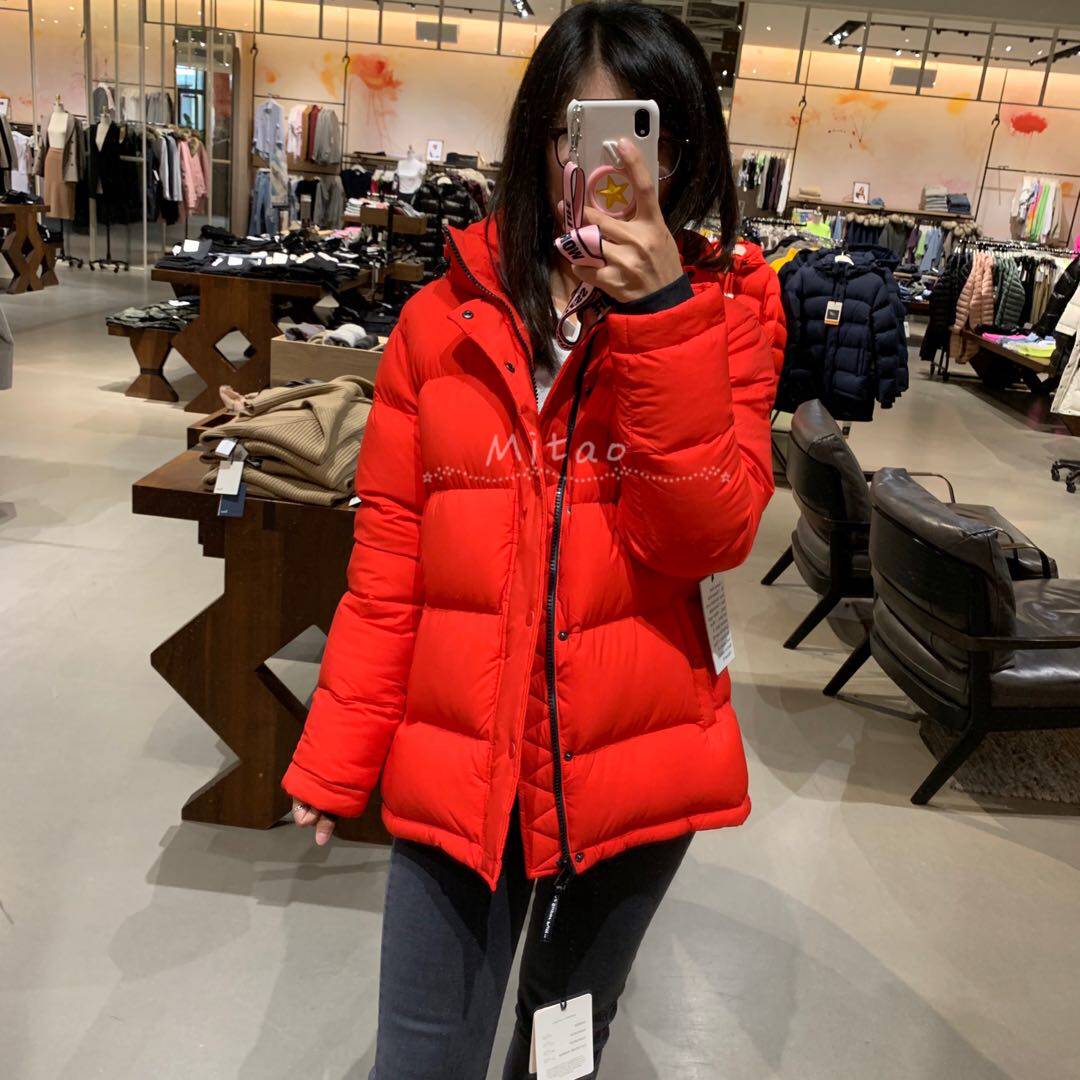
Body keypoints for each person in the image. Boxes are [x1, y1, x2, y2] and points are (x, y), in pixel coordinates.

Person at [281, 2, 778, 1075]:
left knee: (560, 1046)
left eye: (640, 134)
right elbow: (392, 565)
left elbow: (708, 537)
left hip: (634, 768)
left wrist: (660, 320)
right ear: (538, 140)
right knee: (421, 1056)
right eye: (576, 132)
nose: (606, 165)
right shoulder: (441, 322)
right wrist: (338, 751)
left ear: (683, 149)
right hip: (462, 760)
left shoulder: (729, 314)